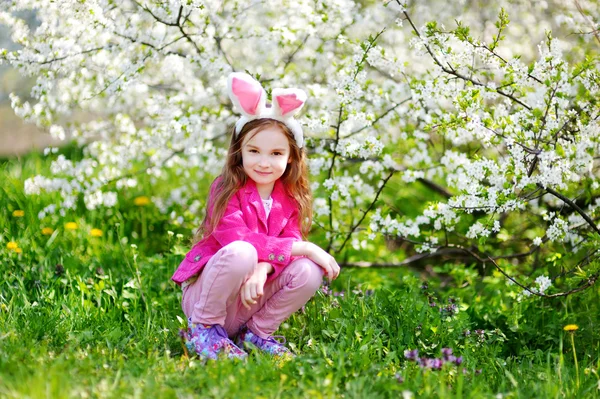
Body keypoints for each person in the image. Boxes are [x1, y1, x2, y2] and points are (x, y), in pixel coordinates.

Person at [172, 72, 341, 360]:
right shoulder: (226, 189)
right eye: (254, 151)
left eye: (276, 153)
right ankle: (202, 330)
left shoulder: (290, 197)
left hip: (248, 301)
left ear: (291, 157)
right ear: (239, 152)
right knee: (243, 251)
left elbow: (288, 243)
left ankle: (256, 333)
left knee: (309, 270)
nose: (264, 162)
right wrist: (305, 247)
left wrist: (264, 269)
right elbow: (236, 238)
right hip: (209, 298)